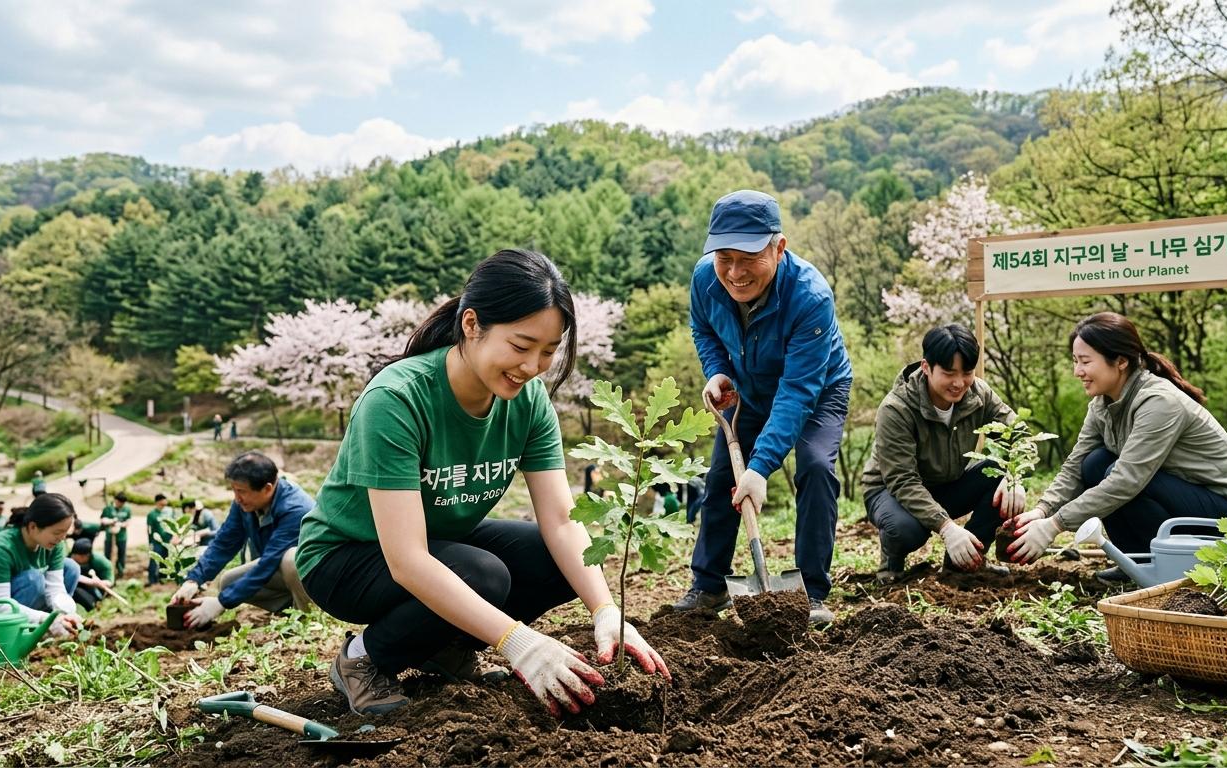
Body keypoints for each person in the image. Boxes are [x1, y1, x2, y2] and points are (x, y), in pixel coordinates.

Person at [295, 249, 670, 718]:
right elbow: (408, 561)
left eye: (549, 351)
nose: (533, 366)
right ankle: (365, 658)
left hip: (440, 539)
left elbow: (560, 519)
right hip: (346, 556)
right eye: (520, 346)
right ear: (472, 325)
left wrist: (605, 610)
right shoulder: (397, 399)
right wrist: (519, 642)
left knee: (554, 559)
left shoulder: (528, 400)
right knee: (483, 574)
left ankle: (442, 647)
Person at [672, 190, 852, 625]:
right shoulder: (704, 279)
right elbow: (703, 329)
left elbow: (797, 391)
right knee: (719, 480)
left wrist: (760, 467)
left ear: (779, 247)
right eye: (724, 258)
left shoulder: (810, 297)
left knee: (814, 467)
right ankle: (708, 585)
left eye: (749, 258)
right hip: (748, 390)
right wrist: (717, 371)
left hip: (817, 390)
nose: (734, 272)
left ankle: (811, 592)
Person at [1007, 312, 1227, 582]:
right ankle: (1135, 560)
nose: (1077, 371)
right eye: (1075, 361)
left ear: (1120, 361)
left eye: (1085, 361)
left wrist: (1055, 525)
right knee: (1094, 463)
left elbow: (1127, 480)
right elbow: (1075, 466)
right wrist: (1042, 511)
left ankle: (1159, 565)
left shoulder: (1159, 402)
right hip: (1185, 495)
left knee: (1118, 475)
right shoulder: (1101, 405)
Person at [861, 324, 1025, 583]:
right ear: (926, 367)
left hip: (947, 484)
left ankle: (968, 559)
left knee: (998, 478)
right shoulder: (896, 409)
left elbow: (1019, 436)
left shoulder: (979, 394)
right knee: (905, 530)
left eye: (967, 372)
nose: (959, 383)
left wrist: (1014, 476)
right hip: (892, 492)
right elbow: (902, 480)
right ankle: (892, 559)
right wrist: (947, 528)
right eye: (949, 373)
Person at [170, 452, 314, 628]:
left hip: (317, 576)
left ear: (267, 488)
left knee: (291, 559)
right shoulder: (245, 505)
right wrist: (194, 580)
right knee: (228, 581)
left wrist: (221, 603)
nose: (237, 498)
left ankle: (309, 619)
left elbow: (268, 562)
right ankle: (288, 610)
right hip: (283, 571)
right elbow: (224, 543)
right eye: (234, 490)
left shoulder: (295, 508)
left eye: (242, 491)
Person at [0, 493, 82, 637]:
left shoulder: (55, 545)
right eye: (57, 532)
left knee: (71, 568)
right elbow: (0, 605)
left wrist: (67, 613)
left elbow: (55, 589)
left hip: (13, 600)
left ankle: (41, 629)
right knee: (33, 579)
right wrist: (45, 619)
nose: (62, 538)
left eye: (65, 533)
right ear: (33, 526)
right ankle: (17, 633)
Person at [69, 538, 114, 610]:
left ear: (87, 556)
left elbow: (109, 582)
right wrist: (90, 581)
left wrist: (97, 583)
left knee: (91, 603)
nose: (73, 559)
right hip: (74, 586)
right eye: (73, 555)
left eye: (78, 557)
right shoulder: (68, 559)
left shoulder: (101, 562)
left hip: (95, 588)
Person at [100, 492, 132, 579]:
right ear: (116, 500)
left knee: (121, 554)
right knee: (108, 554)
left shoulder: (127, 509)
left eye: (123, 503)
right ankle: (107, 572)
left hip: (122, 537)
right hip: (109, 537)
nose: (121, 505)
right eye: (119, 503)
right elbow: (102, 520)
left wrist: (121, 524)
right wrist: (111, 521)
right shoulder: (108, 508)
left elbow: (129, 520)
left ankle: (120, 571)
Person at [147, 494, 173, 586]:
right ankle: (152, 580)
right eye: (162, 504)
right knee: (154, 561)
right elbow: (149, 530)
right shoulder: (152, 514)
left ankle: (163, 577)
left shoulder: (169, 512)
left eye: (165, 504)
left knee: (165, 560)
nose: (164, 506)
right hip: (156, 542)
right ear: (157, 503)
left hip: (167, 541)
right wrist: (150, 542)